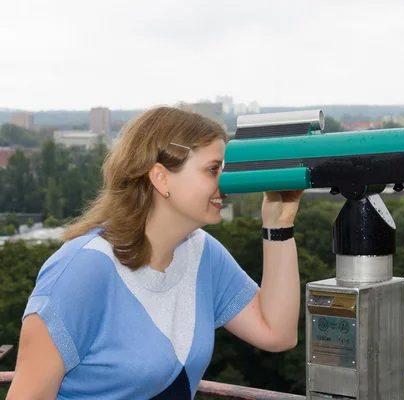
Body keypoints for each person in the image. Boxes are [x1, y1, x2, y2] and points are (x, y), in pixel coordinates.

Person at [7, 106, 303, 399]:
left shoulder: (201, 253)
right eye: (213, 169)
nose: (223, 184)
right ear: (161, 178)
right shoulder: (81, 272)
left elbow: (277, 333)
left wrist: (277, 227)